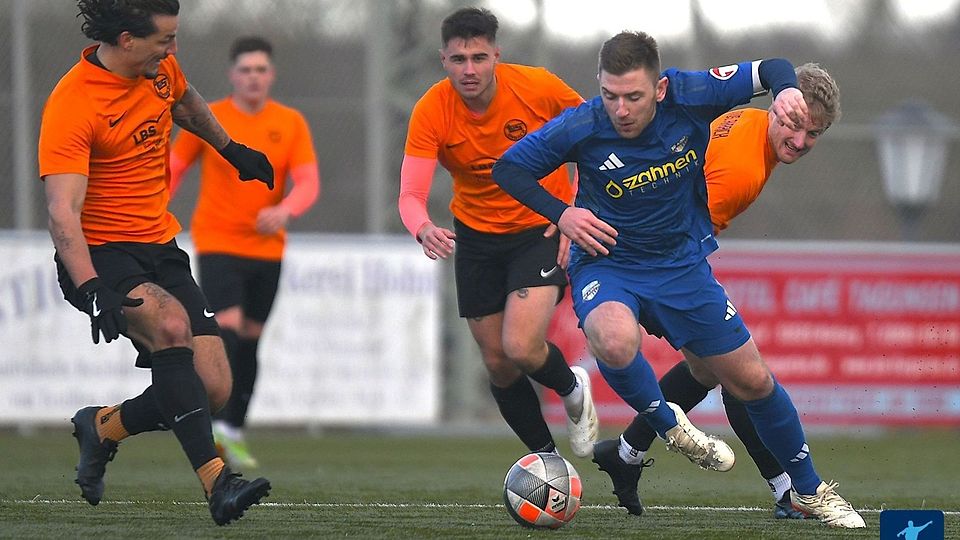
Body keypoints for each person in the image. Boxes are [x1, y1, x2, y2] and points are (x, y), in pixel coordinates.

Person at [492, 32, 864, 528]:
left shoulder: (694, 95)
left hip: (680, 266)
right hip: (609, 262)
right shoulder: (589, 125)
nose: (620, 110)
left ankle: (807, 489)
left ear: (660, 88)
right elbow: (510, 167)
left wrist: (784, 87)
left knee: (747, 378)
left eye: (634, 96)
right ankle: (676, 433)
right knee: (615, 339)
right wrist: (564, 215)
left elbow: (770, 65)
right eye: (610, 95)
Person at [39, 0, 273, 526]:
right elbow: (61, 213)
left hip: (159, 247)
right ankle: (218, 481)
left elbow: (186, 103)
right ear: (126, 39)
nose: (173, 50)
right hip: (100, 255)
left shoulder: (159, 66)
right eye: (164, 40)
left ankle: (102, 427)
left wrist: (232, 150)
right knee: (171, 326)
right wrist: (92, 285)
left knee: (212, 388)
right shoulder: (74, 103)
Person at [593, 62, 843, 519]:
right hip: (644, 259)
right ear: (777, 106)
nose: (801, 141)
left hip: (647, 247)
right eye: (794, 124)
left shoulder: (744, 117)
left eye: (815, 134)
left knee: (708, 371)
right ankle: (788, 488)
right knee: (739, 374)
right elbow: (673, 231)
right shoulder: (741, 171)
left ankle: (626, 453)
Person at [398, 7, 599, 458]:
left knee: (521, 347)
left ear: (496, 56)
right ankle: (549, 462)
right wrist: (423, 228)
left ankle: (572, 389)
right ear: (443, 60)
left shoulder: (539, 88)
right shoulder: (432, 109)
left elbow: (596, 138)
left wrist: (572, 210)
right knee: (498, 364)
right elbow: (410, 194)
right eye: (458, 59)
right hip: (476, 238)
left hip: (538, 230)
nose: (469, 70)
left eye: (479, 57)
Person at [169, 36, 321, 469]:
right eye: (245, 69)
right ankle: (212, 427)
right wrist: (152, 205)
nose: (253, 77)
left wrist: (285, 210)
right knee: (229, 330)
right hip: (218, 242)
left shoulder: (290, 123)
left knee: (251, 341)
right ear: (232, 75)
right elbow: (174, 168)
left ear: (270, 75)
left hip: (268, 249)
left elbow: (308, 182)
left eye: (261, 69)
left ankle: (233, 429)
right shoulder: (208, 117)